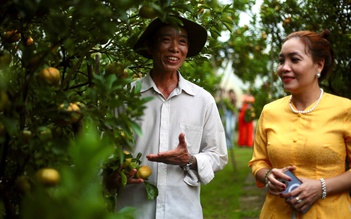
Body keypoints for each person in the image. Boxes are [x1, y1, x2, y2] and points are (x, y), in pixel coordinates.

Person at [104, 15, 228, 219]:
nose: (174, 48)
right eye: (166, 40)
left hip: (183, 211)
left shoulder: (202, 100)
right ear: (150, 46)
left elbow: (218, 154)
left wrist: (189, 159)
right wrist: (113, 177)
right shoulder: (124, 98)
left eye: (182, 41)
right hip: (134, 211)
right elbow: (104, 152)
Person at [248, 29, 351, 218]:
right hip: (275, 213)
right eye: (281, 61)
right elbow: (258, 162)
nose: (284, 68)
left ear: (318, 65)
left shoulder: (345, 110)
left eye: (294, 60)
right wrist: (268, 176)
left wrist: (321, 187)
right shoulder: (270, 111)